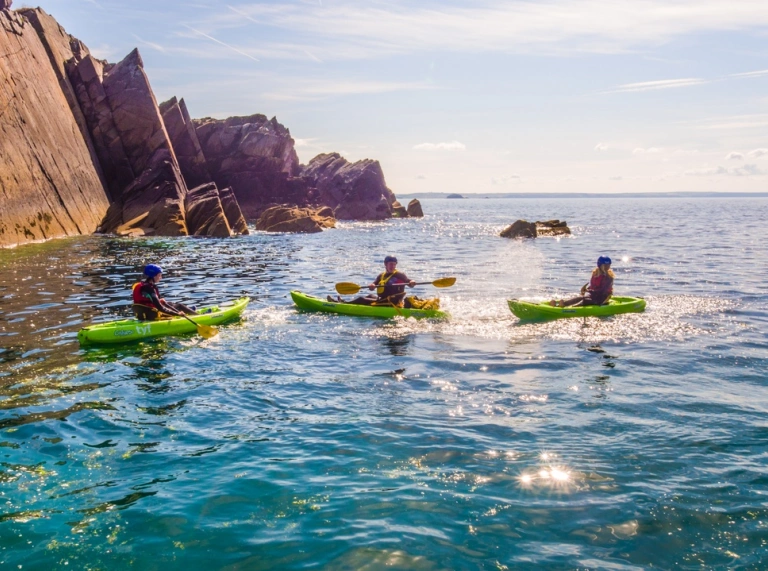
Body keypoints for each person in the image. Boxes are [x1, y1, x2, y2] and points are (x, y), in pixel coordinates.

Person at [330, 255, 416, 306]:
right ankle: (343, 302)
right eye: (390, 264)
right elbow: (374, 284)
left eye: (394, 264)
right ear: (385, 264)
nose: (392, 266)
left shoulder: (399, 275)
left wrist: (412, 282)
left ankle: (343, 304)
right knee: (370, 295)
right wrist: (372, 286)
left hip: (393, 302)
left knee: (361, 299)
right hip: (383, 300)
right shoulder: (381, 275)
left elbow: (409, 282)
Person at [132, 264, 197, 321]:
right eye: (159, 275)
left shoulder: (141, 285)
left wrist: (159, 300)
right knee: (179, 306)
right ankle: (197, 316)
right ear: (154, 276)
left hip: (142, 315)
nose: (161, 277)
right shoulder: (150, 288)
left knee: (170, 304)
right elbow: (160, 308)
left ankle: (189, 311)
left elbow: (147, 300)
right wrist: (177, 314)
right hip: (153, 316)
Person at [549, 256, 614, 308]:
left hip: (602, 299)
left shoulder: (609, 277)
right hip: (594, 296)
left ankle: (571, 308)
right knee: (579, 298)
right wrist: (587, 289)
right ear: (600, 265)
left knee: (585, 300)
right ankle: (563, 304)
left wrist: (588, 290)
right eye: (605, 265)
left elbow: (602, 291)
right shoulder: (595, 274)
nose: (607, 267)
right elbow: (593, 286)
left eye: (608, 265)